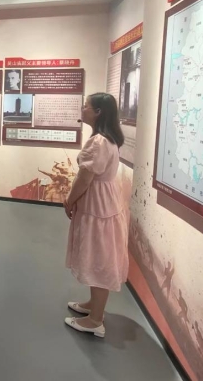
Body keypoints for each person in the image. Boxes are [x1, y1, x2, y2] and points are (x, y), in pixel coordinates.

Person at [63, 92, 128, 338]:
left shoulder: (99, 142)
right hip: (104, 202)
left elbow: (84, 178)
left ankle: (95, 321)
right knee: (97, 255)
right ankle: (94, 305)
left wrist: (70, 200)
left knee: (99, 258)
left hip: (97, 206)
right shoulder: (108, 139)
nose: (83, 109)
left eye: (86, 106)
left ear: (98, 112)